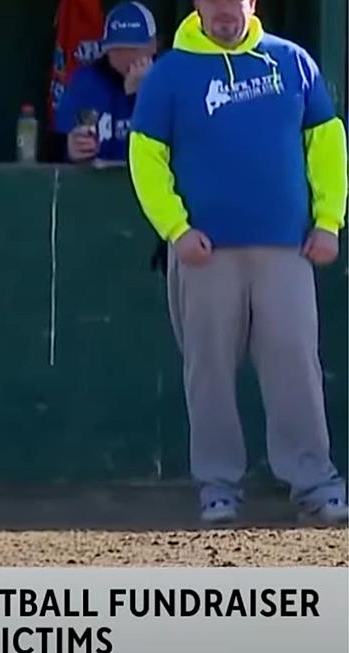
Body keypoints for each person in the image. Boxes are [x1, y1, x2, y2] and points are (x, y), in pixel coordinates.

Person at [129, 0, 348, 524]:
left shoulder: (292, 62)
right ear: (199, 5)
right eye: (216, 5)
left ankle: (315, 484)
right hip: (205, 255)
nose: (226, 15)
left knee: (296, 365)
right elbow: (146, 156)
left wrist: (329, 220)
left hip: (287, 249)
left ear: (252, 4)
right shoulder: (169, 74)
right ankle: (218, 486)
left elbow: (327, 145)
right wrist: (175, 229)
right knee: (208, 371)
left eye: (235, 4)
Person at [56, 1, 158, 164]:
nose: (126, 58)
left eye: (134, 50)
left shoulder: (167, 81)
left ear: (153, 46)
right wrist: (70, 149)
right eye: (117, 50)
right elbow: (54, 147)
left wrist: (136, 98)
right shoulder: (86, 83)